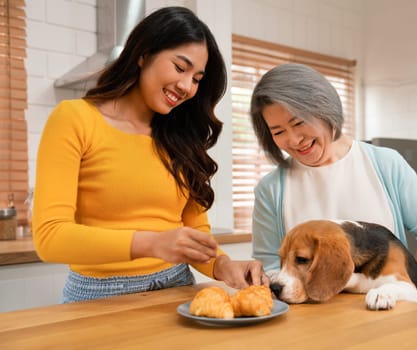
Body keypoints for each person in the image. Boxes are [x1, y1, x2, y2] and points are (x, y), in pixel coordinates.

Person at [32, 6, 268, 303]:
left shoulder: (180, 136)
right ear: (143, 54)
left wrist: (223, 265)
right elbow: (51, 238)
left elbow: (195, 232)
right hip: (99, 296)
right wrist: (154, 243)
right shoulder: (75, 118)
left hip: (178, 287)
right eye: (180, 68)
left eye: (197, 78)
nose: (186, 87)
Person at [249, 63, 417, 308]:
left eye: (299, 123)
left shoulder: (386, 164)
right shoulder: (271, 189)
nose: (293, 139)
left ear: (323, 108)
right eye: (278, 132)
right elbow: (269, 266)